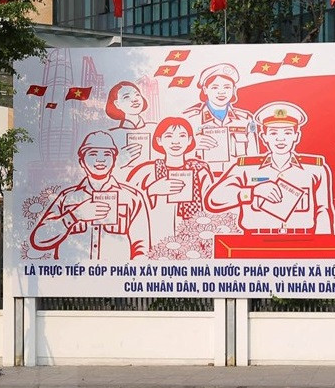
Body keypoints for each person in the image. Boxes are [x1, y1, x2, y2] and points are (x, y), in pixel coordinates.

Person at [205, 101, 334, 234]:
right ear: (264, 137)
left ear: (297, 136)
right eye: (273, 133)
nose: (280, 139)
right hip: (255, 240)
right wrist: (252, 191)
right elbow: (213, 200)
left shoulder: (314, 169)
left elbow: (322, 209)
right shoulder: (246, 169)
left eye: (287, 133)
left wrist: (323, 243)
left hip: (302, 239)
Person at [30, 131, 151, 260]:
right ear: (81, 161)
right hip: (72, 277)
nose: (100, 159)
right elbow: (39, 239)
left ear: (114, 160)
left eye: (107, 154)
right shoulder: (66, 197)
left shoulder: (132, 197)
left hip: (115, 277)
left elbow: (141, 247)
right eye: (93, 154)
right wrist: (76, 214)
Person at [128, 117, 214, 245]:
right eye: (168, 136)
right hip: (156, 238)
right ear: (159, 140)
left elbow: (210, 208)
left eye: (182, 136)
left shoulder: (200, 172)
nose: (175, 142)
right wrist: (151, 191)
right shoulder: (145, 172)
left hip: (192, 241)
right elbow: (128, 203)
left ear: (190, 140)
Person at [183, 63, 258, 174]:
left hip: (236, 179)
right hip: (202, 180)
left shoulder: (245, 119)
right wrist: (190, 146)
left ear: (233, 89)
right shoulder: (190, 119)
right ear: (205, 89)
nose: (221, 92)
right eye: (215, 87)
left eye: (227, 87)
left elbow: (253, 159)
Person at [105, 81, 154, 169]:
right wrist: (118, 161)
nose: (134, 99)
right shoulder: (110, 136)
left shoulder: (154, 128)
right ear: (117, 104)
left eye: (137, 95)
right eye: (126, 97)